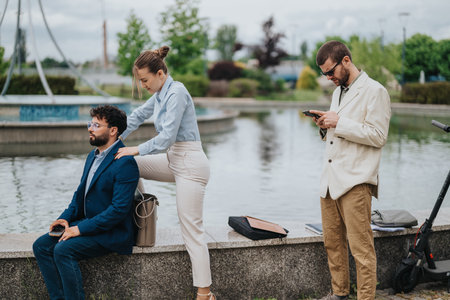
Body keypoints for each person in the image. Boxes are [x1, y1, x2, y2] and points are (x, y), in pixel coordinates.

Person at [114, 46, 215, 300]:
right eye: (140, 81)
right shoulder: (160, 93)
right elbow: (137, 116)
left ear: (160, 73)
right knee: (129, 166)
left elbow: (167, 136)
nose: (143, 85)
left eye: (145, 80)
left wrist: (134, 149)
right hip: (173, 160)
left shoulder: (176, 92)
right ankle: (143, 213)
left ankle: (205, 294)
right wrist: (115, 142)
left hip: (190, 164)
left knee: (191, 228)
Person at [308, 41, 391, 299]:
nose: (328, 77)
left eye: (330, 71)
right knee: (333, 244)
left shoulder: (375, 91)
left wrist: (339, 122)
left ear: (346, 61)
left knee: (361, 249)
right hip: (331, 181)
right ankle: (340, 294)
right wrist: (325, 125)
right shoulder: (338, 92)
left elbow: (378, 136)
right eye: (324, 74)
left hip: (356, 181)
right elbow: (338, 132)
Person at [33, 105, 139, 300]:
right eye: (90, 123)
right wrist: (64, 219)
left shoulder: (125, 162)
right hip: (90, 223)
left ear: (113, 131)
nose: (90, 128)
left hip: (113, 232)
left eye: (97, 124)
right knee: (41, 246)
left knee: (63, 250)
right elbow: (79, 195)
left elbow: (118, 210)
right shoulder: (93, 156)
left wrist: (79, 229)